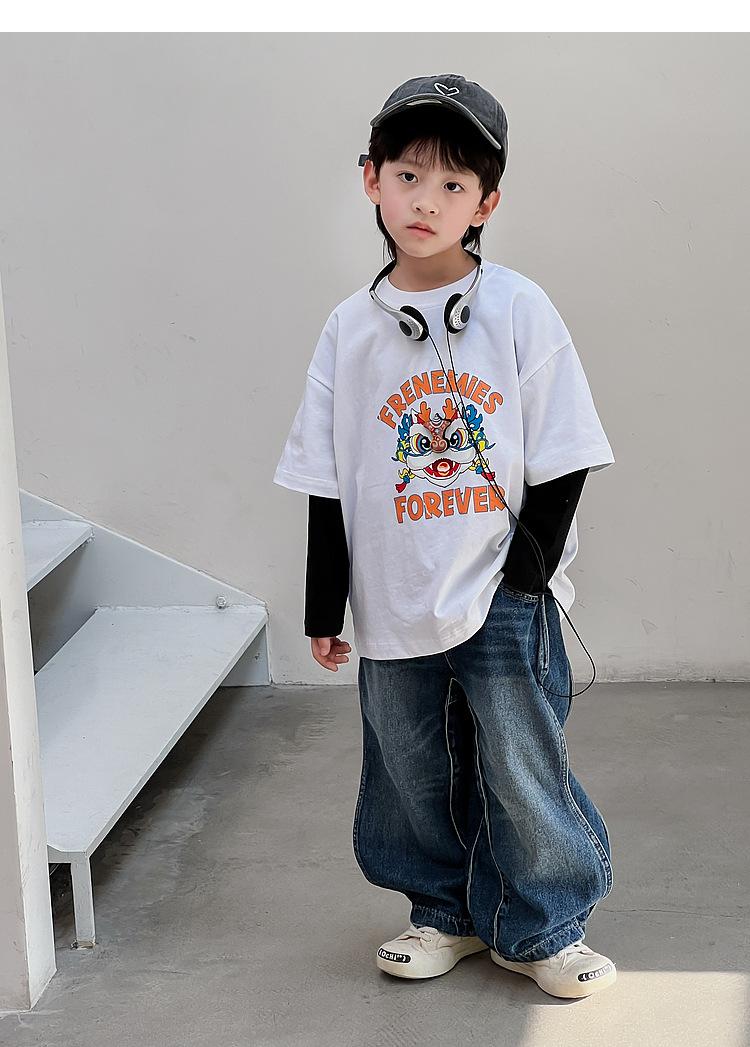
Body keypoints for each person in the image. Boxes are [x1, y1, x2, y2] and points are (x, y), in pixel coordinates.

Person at [273, 74, 617, 999]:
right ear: (371, 179)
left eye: (453, 184)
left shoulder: (519, 307)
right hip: (391, 595)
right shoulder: (349, 330)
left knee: (520, 760)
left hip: (502, 586)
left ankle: (544, 924)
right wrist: (324, 603)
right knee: (409, 767)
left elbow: (567, 450)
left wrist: (526, 579)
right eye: (408, 176)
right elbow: (325, 476)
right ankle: (444, 912)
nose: (426, 201)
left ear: (486, 204)